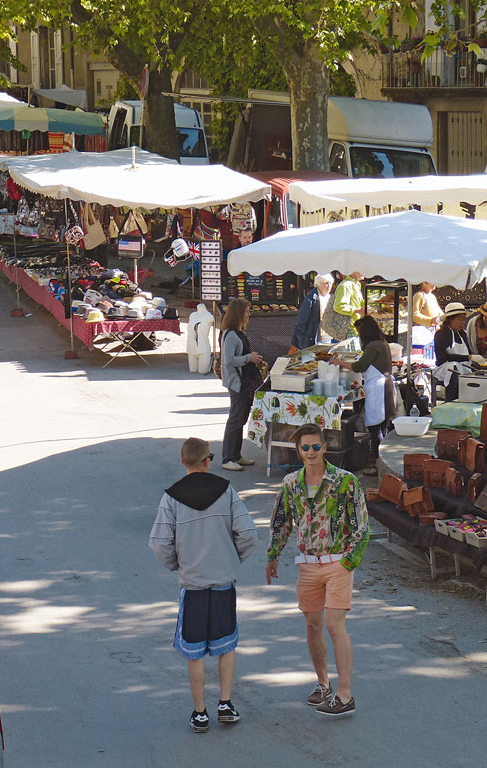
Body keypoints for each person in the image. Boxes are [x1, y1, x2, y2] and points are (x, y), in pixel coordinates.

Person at [148, 437, 257, 733]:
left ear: (182, 461)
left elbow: (159, 543)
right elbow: (248, 534)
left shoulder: (171, 498)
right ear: (208, 460)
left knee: (194, 652)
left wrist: (178, 564)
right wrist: (231, 559)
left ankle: (200, 713)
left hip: (192, 584)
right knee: (226, 645)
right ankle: (225, 703)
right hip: (222, 581)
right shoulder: (226, 491)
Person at [266, 424, 369, 717]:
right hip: (308, 564)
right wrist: (273, 555)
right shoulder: (290, 483)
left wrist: (349, 562)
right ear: (299, 451)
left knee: (334, 625)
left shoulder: (345, 481)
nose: (310, 452)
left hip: (337, 563)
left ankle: (345, 695)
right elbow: (281, 522)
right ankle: (323, 683)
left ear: (324, 448)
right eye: (305, 447)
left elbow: (361, 525)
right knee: (312, 625)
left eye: (315, 447)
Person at [338, 315, 396, 476]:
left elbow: (359, 366)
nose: (358, 335)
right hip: (385, 386)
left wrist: (338, 362)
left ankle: (378, 464)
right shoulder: (382, 342)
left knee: (375, 427)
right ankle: (382, 462)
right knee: (382, 426)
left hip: (378, 388)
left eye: (359, 332)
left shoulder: (373, 346)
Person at [219, 298, 263, 472]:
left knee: (241, 419)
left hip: (245, 382)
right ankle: (228, 458)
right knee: (236, 419)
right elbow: (229, 360)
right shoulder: (230, 335)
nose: (248, 314)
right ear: (238, 313)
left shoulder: (239, 332)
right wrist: (248, 358)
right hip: (237, 382)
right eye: (246, 311)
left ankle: (236, 455)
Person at [433, 302, 473, 401]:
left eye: (464, 319)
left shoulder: (461, 334)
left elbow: (468, 351)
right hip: (444, 369)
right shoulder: (441, 334)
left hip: (463, 367)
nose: (463, 322)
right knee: (453, 368)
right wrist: (468, 357)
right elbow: (444, 356)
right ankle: (450, 401)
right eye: (460, 319)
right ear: (450, 319)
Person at [289, 273, 335, 353]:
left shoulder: (330, 298)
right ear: (319, 284)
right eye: (326, 283)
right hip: (312, 340)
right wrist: (303, 343)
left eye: (330, 283)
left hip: (327, 338)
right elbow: (301, 322)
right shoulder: (311, 299)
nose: (329, 286)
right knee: (311, 360)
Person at [328, 271, 364, 341]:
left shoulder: (357, 285)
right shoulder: (345, 285)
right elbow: (338, 306)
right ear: (352, 271)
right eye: (360, 269)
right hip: (348, 329)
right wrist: (357, 310)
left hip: (355, 328)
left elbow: (358, 303)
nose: (363, 272)